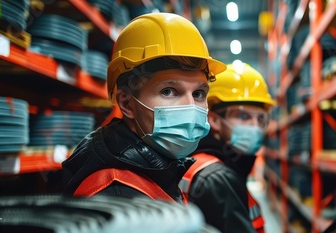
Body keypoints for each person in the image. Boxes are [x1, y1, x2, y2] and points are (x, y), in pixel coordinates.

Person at [52, 12, 226, 202]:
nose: (191, 108)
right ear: (127, 103)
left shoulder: (159, 167)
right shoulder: (117, 197)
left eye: (198, 94)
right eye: (168, 91)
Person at [181, 62, 308, 233]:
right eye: (242, 117)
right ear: (214, 120)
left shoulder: (200, 161)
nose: (254, 127)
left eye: (260, 119)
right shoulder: (219, 178)